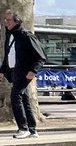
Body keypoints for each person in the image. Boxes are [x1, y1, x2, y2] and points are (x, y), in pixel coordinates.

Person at [2, 10, 47, 139]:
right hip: (14, 72)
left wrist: (33, 71)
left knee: (15, 97)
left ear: (17, 22)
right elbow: (8, 56)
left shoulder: (26, 35)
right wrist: (2, 70)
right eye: (5, 19)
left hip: (24, 73)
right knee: (25, 100)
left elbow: (40, 57)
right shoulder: (10, 35)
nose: (6, 22)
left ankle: (23, 128)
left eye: (9, 20)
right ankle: (32, 130)